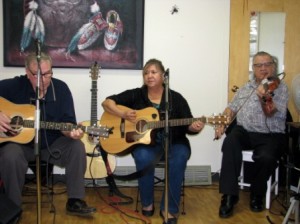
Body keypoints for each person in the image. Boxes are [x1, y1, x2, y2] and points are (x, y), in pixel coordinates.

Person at [101, 58, 204, 224]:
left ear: (163, 76)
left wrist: (195, 127)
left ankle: (169, 209)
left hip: (175, 142)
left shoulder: (175, 98)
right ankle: (147, 203)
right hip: (146, 145)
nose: (149, 75)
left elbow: (188, 125)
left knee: (180, 157)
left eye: (154, 72)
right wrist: (123, 115)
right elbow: (107, 103)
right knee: (142, 156)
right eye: (146, 73)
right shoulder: (136, 95)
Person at [0, 53, 96, 216]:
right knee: (10, 155)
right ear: (27, 72)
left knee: (76, 147)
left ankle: (75, 200)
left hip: (51, 145)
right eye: (37, 75)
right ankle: (12, 208)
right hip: (20, 146)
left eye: (48, 73)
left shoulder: (61, 89)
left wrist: (71, 132)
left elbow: (68, 123)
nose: (43, 79)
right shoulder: (15, 85)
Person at [215, 51, 289, 218]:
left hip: (270, 134)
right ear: (253, 68)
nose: (263, 68)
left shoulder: (281, 87)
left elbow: (270, 113)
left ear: (273, 66)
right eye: (258, 65)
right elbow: (231, 108)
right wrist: (222, 123)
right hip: (245, 131)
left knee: (267, 157)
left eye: (267, 64)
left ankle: (257, 193)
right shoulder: (246, 87)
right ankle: (229, 195)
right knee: (230, 142)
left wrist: (265, 97)